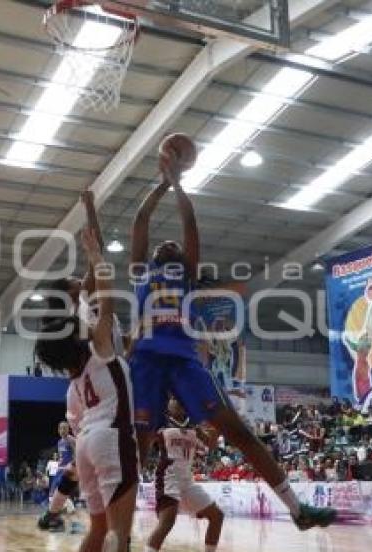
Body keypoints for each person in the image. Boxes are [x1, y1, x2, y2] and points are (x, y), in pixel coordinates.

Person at [129, 150, 335, 530]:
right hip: (146, 360)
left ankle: (297, 510)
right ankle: (118, 533)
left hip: (184, 359)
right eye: (163, 245)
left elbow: (190, 224)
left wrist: (178, 184)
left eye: (173, 245)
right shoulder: (142, 271)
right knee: (137, 447)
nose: (168, 244)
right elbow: (141, 220)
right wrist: (160, 185)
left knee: (238, 430)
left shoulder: (187, 275)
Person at [34, 228, 138, 552]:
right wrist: (96, 256)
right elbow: (106, 298)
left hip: (86, 444)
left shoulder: (74, 364)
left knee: (98, 529)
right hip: (110, 435)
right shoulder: (99, 346)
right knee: (118, 533)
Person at [141, 399, 224, 552]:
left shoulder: (193, 424)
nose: (177, 402)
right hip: (168, 477)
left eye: (180, 399)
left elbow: (211, 444)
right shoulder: (160, 421)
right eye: (173, 399)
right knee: (167, 522)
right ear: (168, 404)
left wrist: (215, 427)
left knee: (217, 516)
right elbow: (144, 441)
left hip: (187, 479)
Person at [38, 421, 78, 531]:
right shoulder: (60, 442)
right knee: (54, 497)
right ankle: (61, 522)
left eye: (65, 428)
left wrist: (72, 466)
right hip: (59, 471)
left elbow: (77, 454)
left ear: (69, 429)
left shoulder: (71, 440)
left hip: (67, 470)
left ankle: (68, 523)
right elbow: (62, 457)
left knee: (57, 496)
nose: (62, 430)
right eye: (60, 428)